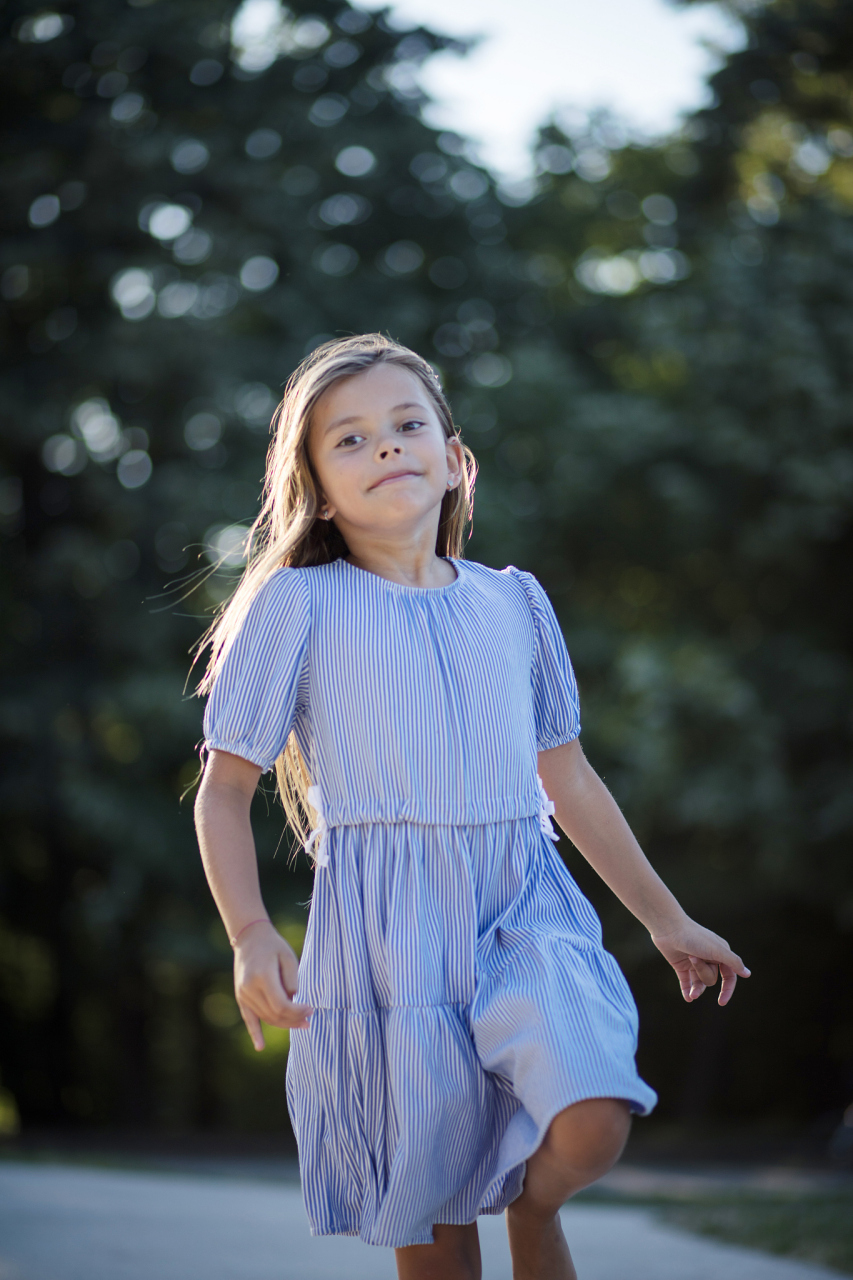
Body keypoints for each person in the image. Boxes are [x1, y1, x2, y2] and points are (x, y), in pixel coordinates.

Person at [194, 333, 749, 1280]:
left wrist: (665, 918)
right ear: (318, 488)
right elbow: (224, 790)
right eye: (351, 439)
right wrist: (250, 934)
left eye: (409, 426)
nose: (386, 448)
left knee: (595, 1112)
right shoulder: (298, 603)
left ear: (456, 461)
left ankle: (535, 1213)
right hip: (386, 937)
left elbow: (567, 778)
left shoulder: (514, 603)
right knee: (439, 1226)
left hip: (522, 903)